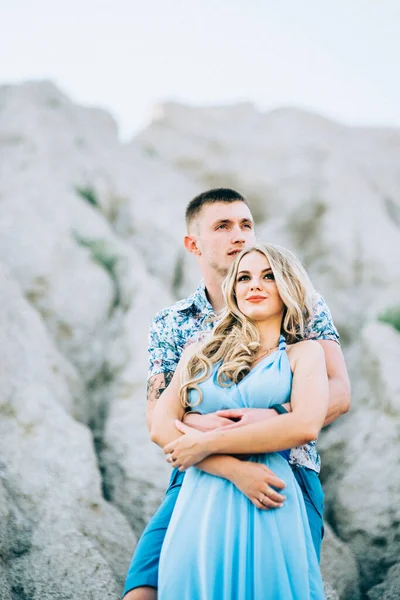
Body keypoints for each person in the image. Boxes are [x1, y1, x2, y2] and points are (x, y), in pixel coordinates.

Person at [122, 188, 350, 600]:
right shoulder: (175, 324)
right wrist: (220, 456)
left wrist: (276, 413)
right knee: (144, 589)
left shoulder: (303, 306)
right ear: (193, 244)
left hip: (288, 469)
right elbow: (160, 420)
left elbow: (338, 392)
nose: (239, 235)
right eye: (223, 226)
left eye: (246, 224)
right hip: (200, 469)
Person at [152, 243, 328, 599]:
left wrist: (205, 441)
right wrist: (233, 469)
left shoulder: (305, 353)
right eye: (244, 277)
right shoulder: (199, 351)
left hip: (270, 498)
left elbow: (305, 426)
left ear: (288, 285)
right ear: (233, 288)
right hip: (202, 495)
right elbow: (161, 425)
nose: (254, 286)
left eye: (268, 277)